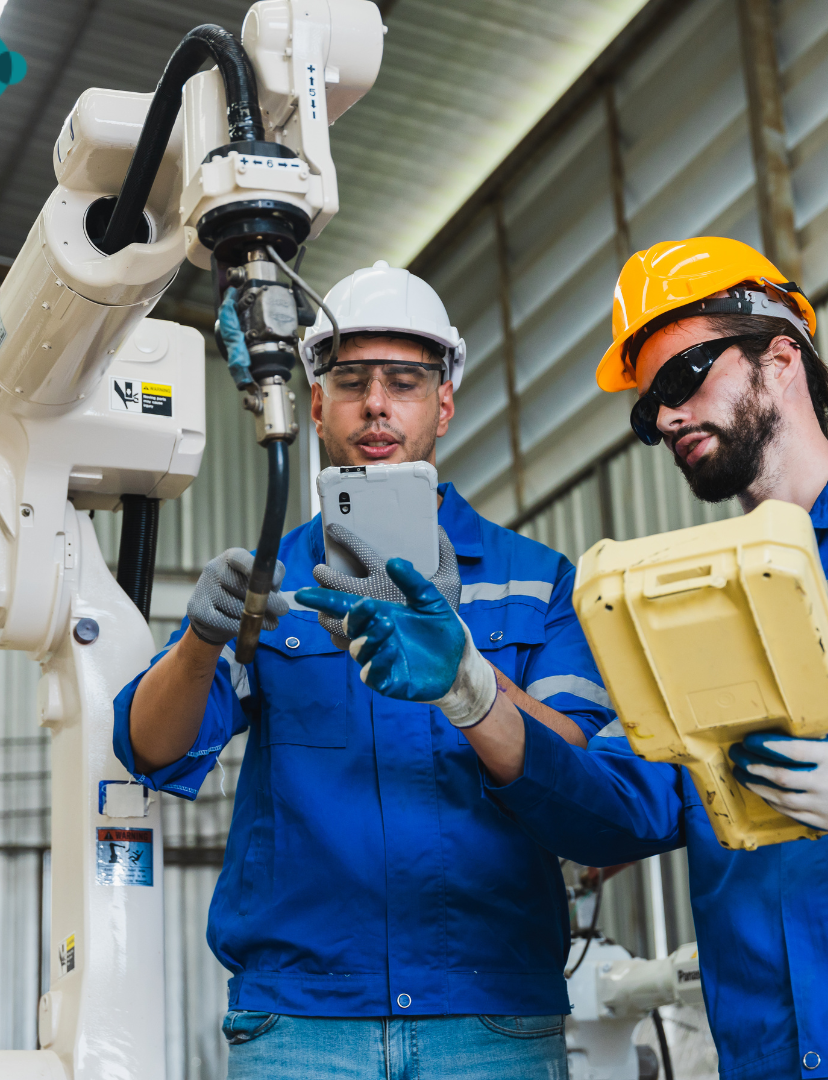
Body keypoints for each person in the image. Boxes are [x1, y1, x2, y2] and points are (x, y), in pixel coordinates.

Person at [298, 239, 828, 1080]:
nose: (663, 419)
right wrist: (472, 690)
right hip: (774, 1054)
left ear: (780, 356)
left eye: (684, 376)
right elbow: (617, 807)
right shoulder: (678, 601)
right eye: (647, 407)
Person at [113, 260, 614, 1079]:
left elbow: (585, 774)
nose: (377, 403)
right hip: (303, 1024)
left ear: (443, 403)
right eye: (351, 380)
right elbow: (153, 748)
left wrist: (468, 673)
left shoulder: (536, 579)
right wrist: (200, 640)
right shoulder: (272, 583)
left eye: (405, 380)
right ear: (314, 401)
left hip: (490, 1018)